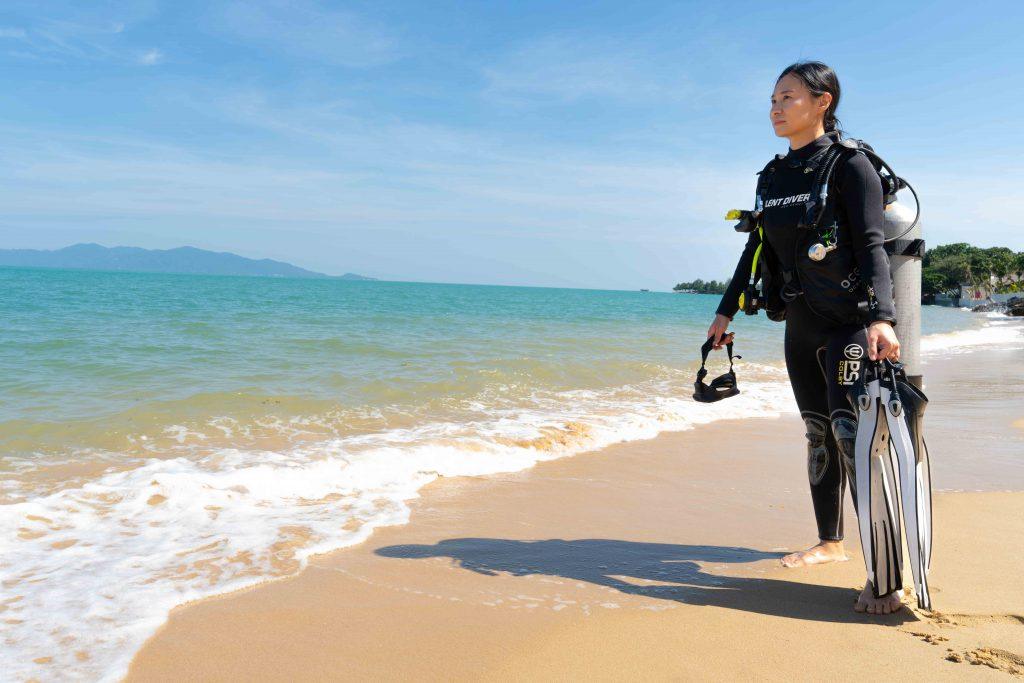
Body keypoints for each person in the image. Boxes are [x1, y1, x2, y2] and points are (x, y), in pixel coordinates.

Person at [706, 61, 903, 615]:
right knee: (817, 434)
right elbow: (756, 249)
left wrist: (882, 317)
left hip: (849, 326)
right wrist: (725, 312)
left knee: (851, 436)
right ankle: (830, 541)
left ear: (823, 101)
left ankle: (883, 573)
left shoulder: (850, 165)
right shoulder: (772, 177)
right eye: (771, 98)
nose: (774, 107)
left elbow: (871, 245)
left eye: (787, 96)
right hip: (798, 323)